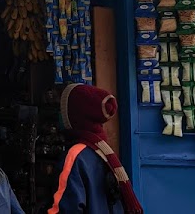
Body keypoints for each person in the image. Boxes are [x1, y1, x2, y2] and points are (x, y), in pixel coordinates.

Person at [49, 83, 143, 214]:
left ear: (75, 116)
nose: (60, 114)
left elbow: (66, 208)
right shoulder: (104, 152)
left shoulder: (75, 155)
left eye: (63, 110)